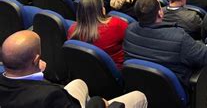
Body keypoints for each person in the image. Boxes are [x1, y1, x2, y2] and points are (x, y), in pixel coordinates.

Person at [123, 0, 207, 101]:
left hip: (144, 85)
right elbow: (204, 57)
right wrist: (197, 44)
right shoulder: (178, 36)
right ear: (160, 13)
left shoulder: (129, 30)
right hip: (177, 86)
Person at [0, 30, 147, 108]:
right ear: (36, 60)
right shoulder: (51, 96)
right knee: (139, 97)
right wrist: (98, 103)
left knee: (79, 83)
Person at [68, 0, 129, 69]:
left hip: (86, 71)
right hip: (113, 72)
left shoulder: (72, 30)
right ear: (101, 10)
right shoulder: (117, 24)